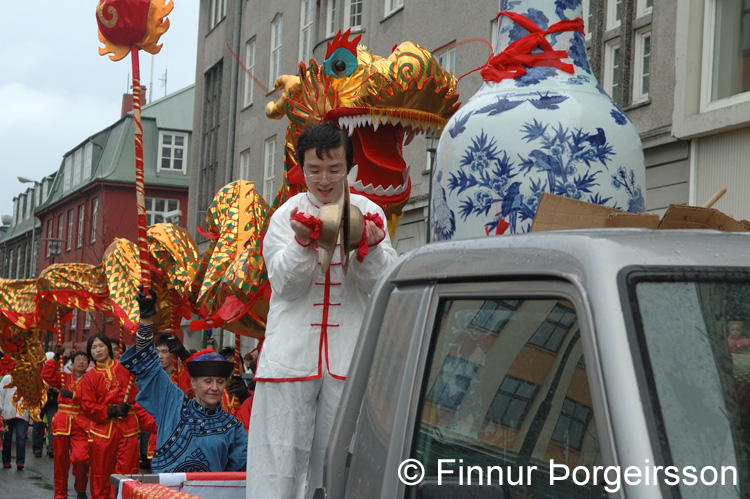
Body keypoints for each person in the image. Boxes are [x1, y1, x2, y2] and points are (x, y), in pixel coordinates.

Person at [246, 123, 397, 499]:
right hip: (289, 359)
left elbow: (383, 285)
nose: (324, 179)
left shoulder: (369, 212)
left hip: (349, 360)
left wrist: (372, 249)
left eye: (334, 169)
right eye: (314, 169)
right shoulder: (286, 216)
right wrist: (301, 244)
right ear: (302, 169)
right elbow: (284, 285)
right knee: (278, 462)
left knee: (342, 462)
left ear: (349, 166)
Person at [119, 287, 248, 473]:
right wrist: (146, 320)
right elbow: (148, 367)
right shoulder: (173, 405)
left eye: (220, 382)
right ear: (193, 382)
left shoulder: (232, 426)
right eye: (207, 381)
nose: (214, 388)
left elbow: (236, 477)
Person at [80, 334, 145, 499]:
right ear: (90, 353)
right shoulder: (88, 378)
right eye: (93, 347)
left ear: (108, 347)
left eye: (101, 345)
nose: (98, 350)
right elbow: (88, 407)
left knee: (128, 474)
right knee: (100, 474)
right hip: (102, 431)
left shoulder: (124, 368)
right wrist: (111, 411)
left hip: (127, 428)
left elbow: (137, 393)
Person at [42, 349, 92, 499]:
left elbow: (93, 398)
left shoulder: (92, 379)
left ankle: (81, 488)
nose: (81, 362)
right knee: (60, 461)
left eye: (84, 359)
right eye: (78, 359)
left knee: (81, 458)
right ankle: (60, 494)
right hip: (62, 422)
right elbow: (46, 375)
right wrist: (56, 359)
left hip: (82, 422)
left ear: (88, 363)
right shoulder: (64, 377)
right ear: (72, 362)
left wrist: (73, 395)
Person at [1, 373, 29, 470]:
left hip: (21, 413)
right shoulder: (7, 378)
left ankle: (20, 461)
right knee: (7, 438)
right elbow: (1, 394)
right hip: (8, 412)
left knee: (21, 436)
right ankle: (6, 460)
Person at [33, 351, 58, 459]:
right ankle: (37, 449)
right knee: (38, 425)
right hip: (40, 400)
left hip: (53, 400)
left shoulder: (58, 368)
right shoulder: (38, 370)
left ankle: (52, 449)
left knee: (53, 424)